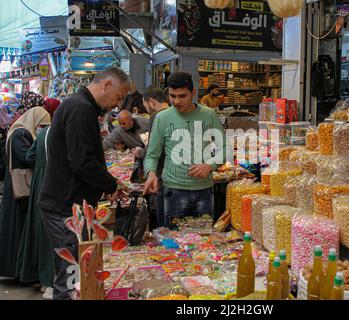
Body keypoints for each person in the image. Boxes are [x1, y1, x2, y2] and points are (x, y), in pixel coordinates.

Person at [38, 67, 131, 300]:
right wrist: (111, 186)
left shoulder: (81, 106)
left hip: (70, 206)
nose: (117, 104)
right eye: (119, 97)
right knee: (71, 277)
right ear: (106, 85)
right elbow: (81, 161)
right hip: (65, 208)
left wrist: (108, 184)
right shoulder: (80, 108)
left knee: (75, 273)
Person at [143, 72, 225, 228]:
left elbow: (225, 148)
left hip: (204, 192)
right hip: (173, 192)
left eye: (182, 96)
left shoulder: (209, 115)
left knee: (204, 245)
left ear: (193, 93)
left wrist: (210, 165)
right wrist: (151, 173)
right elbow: (152, 155)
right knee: (174, 245)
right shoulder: (162, 118)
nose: (176, 101)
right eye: (172, 96)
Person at [15, 99, 61, 300]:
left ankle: (45, 282)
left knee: (41, 233)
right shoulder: (62, 135)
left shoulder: (42, 135)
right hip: (55, 187)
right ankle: (52, 282)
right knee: (55, 235)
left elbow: (31, 156)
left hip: (39, 186)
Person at [0, 107, 51, 279]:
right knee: (17, 228)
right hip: (19, 187)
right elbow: (27, 157)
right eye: (42, 125)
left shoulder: (19, 131)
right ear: (34, 121)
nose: (43, 129)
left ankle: (18, 269)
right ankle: (16, 269)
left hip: (18, 185)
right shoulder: (21, 133)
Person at [140, 87, 170, 227]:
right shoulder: (175, 114)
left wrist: (140, 153)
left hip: (160, 176)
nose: (147, 110)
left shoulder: (157, 116)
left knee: (160, 223)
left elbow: (152, 151)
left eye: (145, 106)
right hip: (175, 178)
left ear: (151, 102)